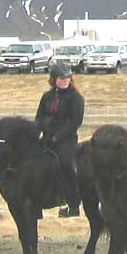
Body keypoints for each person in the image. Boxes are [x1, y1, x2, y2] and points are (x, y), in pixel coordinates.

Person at [35, 62, 85, 218]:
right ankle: (36, 202)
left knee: (66, 163)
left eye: (67, 78)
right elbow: (39, 117)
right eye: (61, 78)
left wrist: (57, 136)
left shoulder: (76, 98)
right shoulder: (47, 96)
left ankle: (73, 203)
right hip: (47, 136)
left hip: (66, 138)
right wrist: (39, 131)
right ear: (53, 79)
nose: (64, 81)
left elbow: (75, 122)